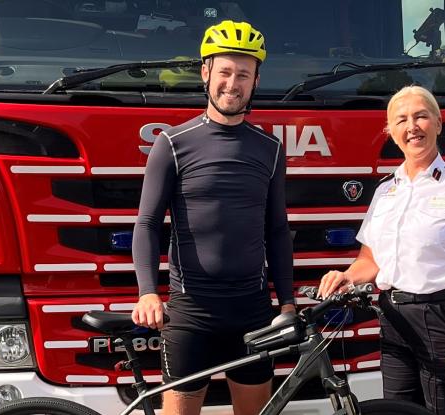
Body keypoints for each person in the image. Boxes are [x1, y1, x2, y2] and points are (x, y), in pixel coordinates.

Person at [131, 20, 295, 415]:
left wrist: (287, 302)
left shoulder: (270, 148)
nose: (232, 83)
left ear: (255, 81)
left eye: (243, 74)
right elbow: (147, 223)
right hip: (191, 314)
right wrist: (147, 291)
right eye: (224, 71)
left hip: (253, 312)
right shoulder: (172, 143)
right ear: (206, 73)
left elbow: (276, 229)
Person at [317, 85, 445, 415]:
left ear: (438, 122)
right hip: (394, 319)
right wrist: (345, 276)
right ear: (391, 132)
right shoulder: (386, 190)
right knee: (399, 411)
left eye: (420, 116)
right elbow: (371, 259)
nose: (412, 126)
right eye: (401, 120)